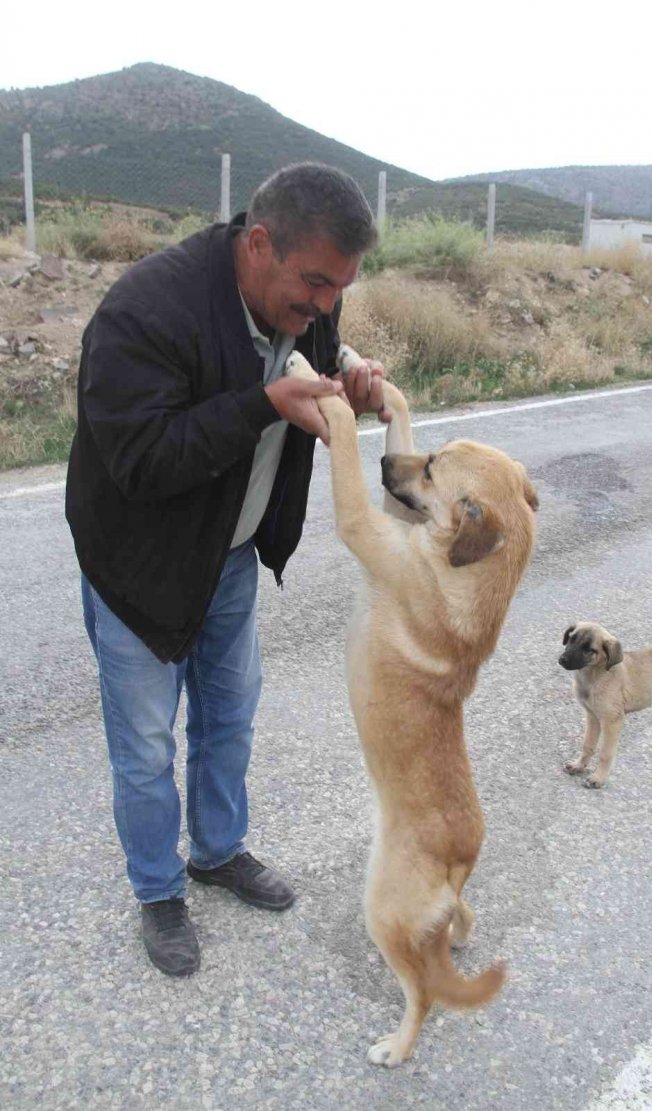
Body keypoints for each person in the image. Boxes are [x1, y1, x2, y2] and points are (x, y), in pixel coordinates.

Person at [66, 162, 387, 976]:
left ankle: (216, 850)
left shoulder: (307, 295)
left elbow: (310, 343)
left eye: (336, 290)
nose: (322, 303)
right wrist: (260, 405)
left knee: (230, 716)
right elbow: (140, 459)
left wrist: (348, 371)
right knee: (144, 746)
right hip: (137, 568)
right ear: (257, 243)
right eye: (314, 283)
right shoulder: (144, 310)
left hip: (231, 558)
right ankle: (158, 889)